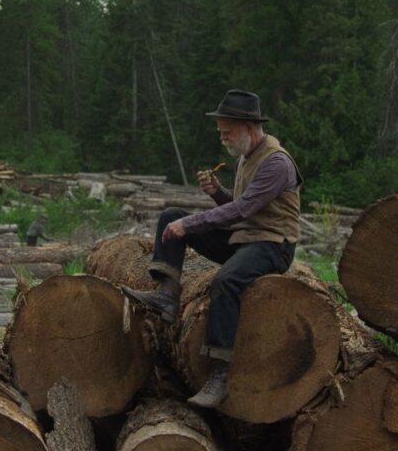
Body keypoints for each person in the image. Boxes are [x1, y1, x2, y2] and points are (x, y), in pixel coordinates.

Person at [123, 89, 303, 409]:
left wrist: (192, 224)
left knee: (226, 280)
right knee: (171, 217)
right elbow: (241, 207)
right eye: (220, 132)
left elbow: (243, 209)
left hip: (273, 245)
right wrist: (216, 193)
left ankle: (220, 374)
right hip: (244, 239)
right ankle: (167, 295)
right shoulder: (245, 157)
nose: (222, 138)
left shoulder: (277, 163)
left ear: (248, 127)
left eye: (226, 132)